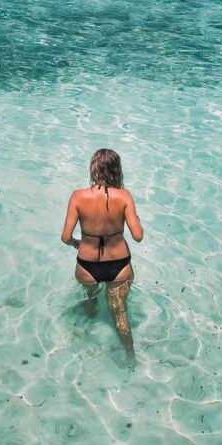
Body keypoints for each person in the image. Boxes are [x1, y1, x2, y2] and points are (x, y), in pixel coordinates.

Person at [61, 149, 143, 352]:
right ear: (117, 170)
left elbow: (65, 237)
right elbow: (138, 236)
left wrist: (77, 244)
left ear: (93, 168)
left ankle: (84, 350)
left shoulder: (78, 197)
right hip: (119, 265)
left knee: (89, 304)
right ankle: (130, 355)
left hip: (87, 265)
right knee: (120, 313)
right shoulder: (124, 197)